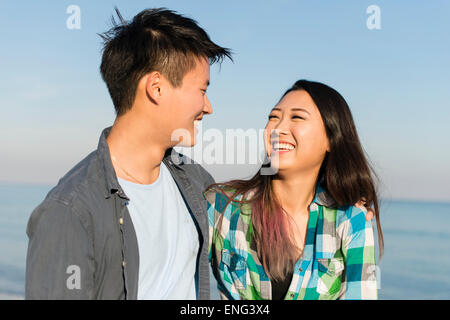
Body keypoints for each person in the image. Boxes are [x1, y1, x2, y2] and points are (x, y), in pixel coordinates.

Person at [25, 7, 232, 299]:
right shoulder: (70, 212)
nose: (208, 106)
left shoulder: (195, 180)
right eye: (202, 89)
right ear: (156, 88)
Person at [204, 79, 383, 300]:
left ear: (330, 139)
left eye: (296, 117)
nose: (278, 128)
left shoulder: (350, 220)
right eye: (273, 117)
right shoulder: (221, 207)